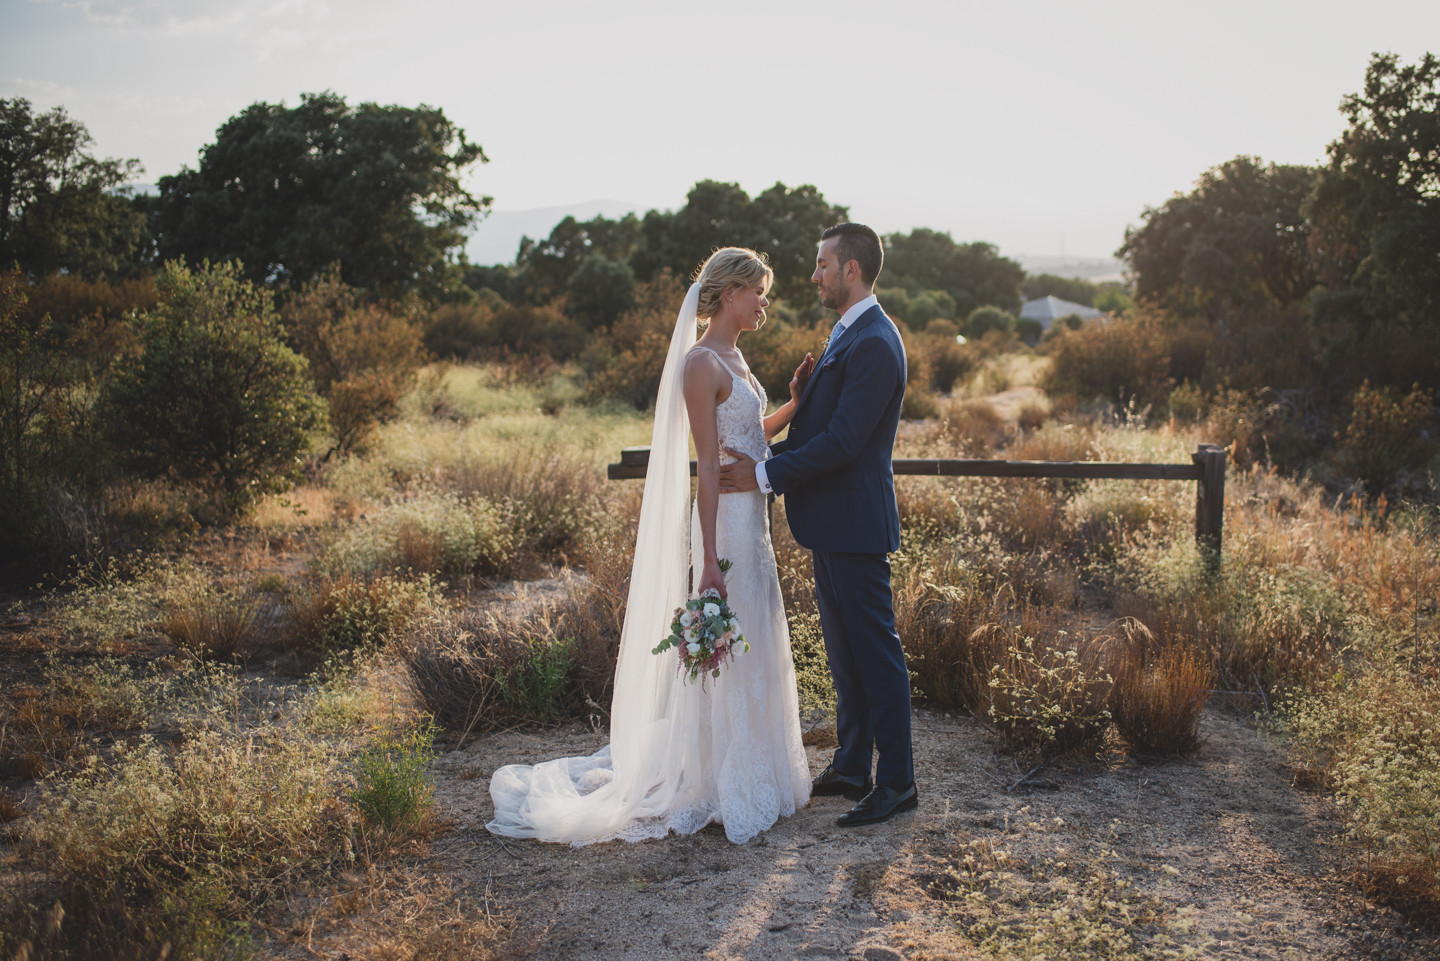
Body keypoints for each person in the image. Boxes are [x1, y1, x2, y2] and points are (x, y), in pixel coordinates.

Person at [487, 248, 812, 845]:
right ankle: (717, 781)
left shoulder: (737, 357)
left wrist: (793, 401)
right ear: (730, 292)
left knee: (756, 636)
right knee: (729, 642)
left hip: (754, 519)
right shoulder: (700, 364)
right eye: (759, 292)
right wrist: (709, 558)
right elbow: (707, 466)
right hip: (726, 524)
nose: (765, 303)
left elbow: (748, 436)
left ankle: (756, 772)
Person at [720, 223, 916, 827]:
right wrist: (800, 397)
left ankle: (898, 783)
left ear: (851, 269)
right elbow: (826, 421)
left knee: (876, 655)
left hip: (855, 521)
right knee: (845, 653)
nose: (815, 275)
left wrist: (764, 472)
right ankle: (854, 763)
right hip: (832, 521)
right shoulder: (848, 333)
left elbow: (845, 442)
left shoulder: (878, 342)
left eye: (823, 264)